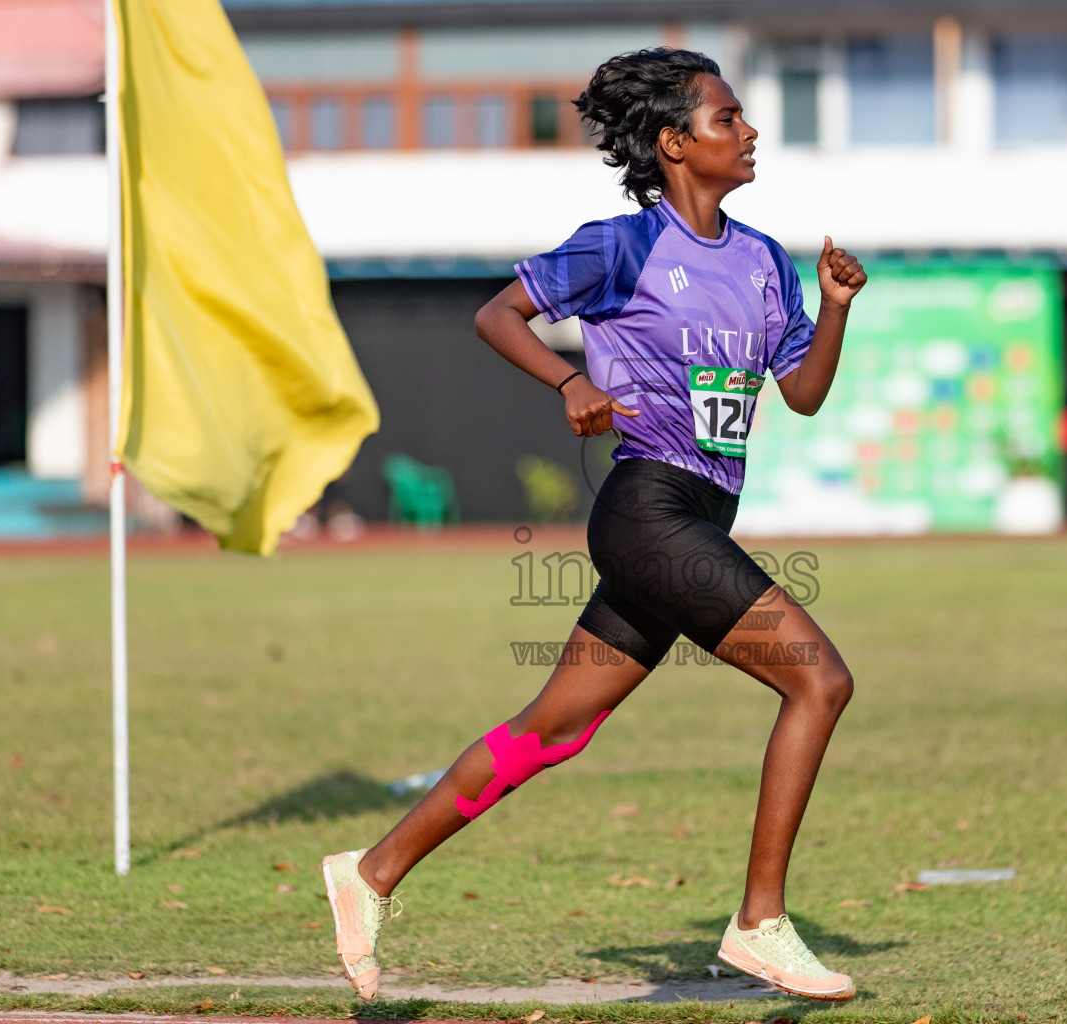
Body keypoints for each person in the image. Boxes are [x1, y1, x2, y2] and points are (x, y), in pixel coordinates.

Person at [321, 48, 867, 1004]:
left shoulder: (763, 261)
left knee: (553, 731)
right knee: (819, 681)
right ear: (672, 143)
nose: (747, 133)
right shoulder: (620, 247)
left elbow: (805, 395)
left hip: (701, 511)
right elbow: (499, 316)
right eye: (726, 119)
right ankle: (760, 923)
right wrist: (571, 380)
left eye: (742, 118)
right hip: (647, 509)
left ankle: (368, 873)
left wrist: (832, 308)